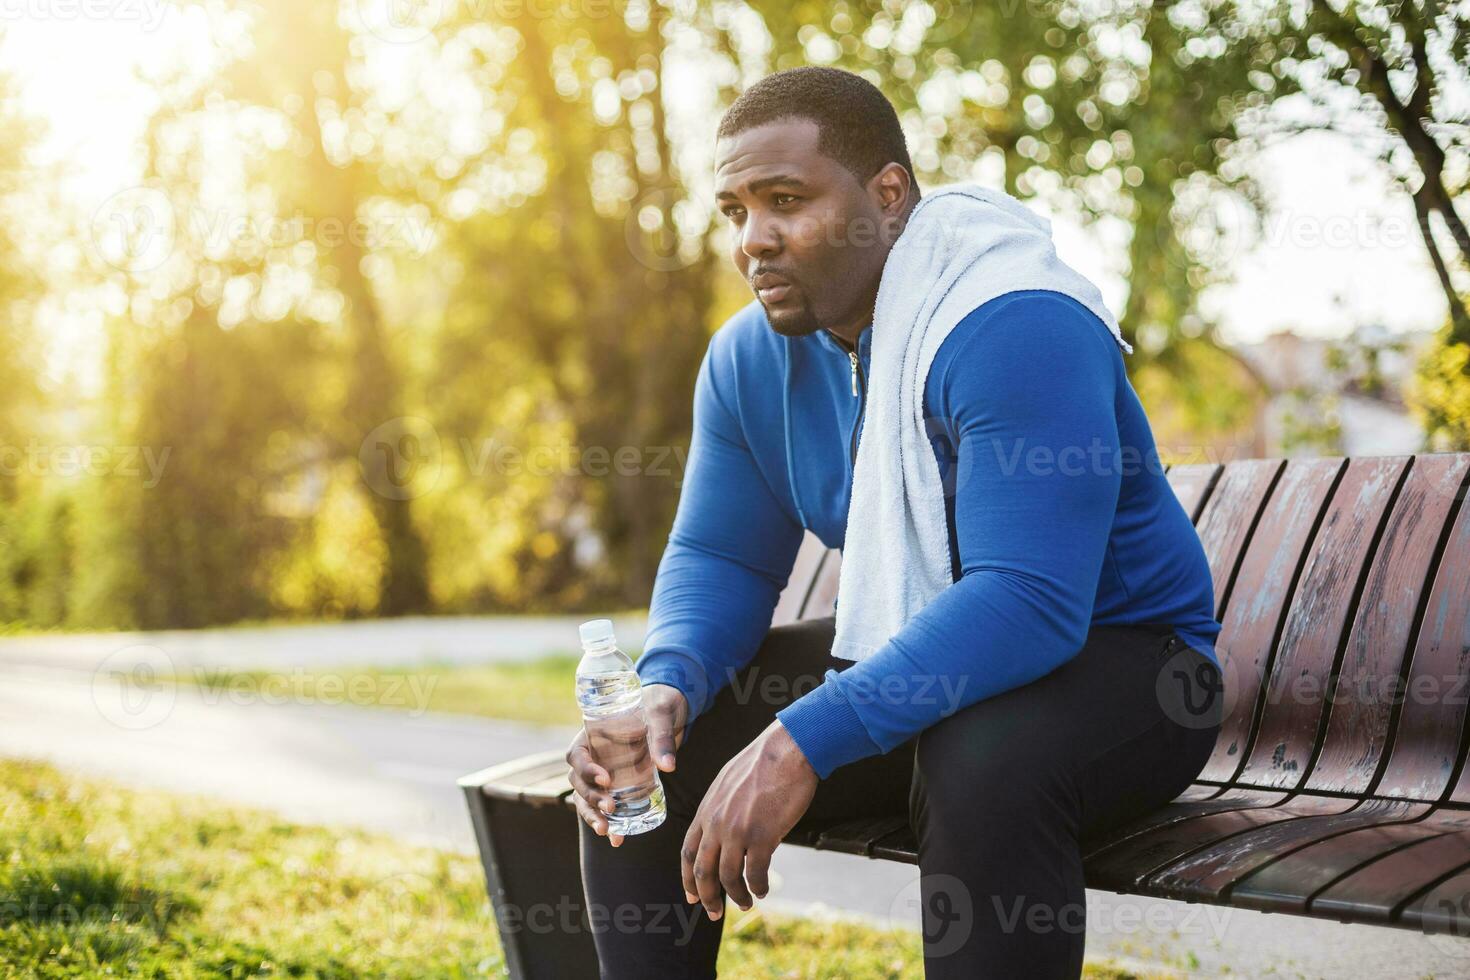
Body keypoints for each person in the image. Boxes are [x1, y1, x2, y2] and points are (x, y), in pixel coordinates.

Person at [566, 65, 1223, 979]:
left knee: (983, 755)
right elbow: (721, 555)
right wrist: (667, 684)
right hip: (920, 649)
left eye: (786, 199)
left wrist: (802, 740)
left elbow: (1030, 600)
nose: (755, 239)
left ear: (888, 196)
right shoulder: (751, 360)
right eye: (735, 211)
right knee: (655, 752)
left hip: (1128, 668)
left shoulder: (1013, 320)